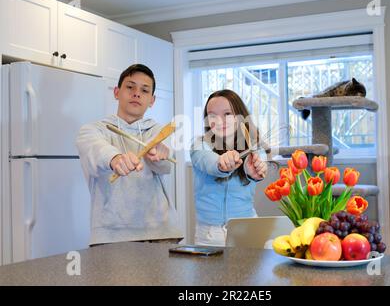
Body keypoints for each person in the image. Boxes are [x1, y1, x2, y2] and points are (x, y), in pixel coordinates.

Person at [76, 64, 182, 246]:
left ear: (152, 100)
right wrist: (115, 159)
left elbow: (166, 165)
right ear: (117, 92)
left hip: (161, 233)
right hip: (112, 236)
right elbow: (96, 149)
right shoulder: (93, 130)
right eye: (130, 87)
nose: (136, 93)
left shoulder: (158, 131)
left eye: (144, 90)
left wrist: (161, 153)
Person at [190, 89, 268, 246]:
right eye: (212, 115)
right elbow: (209, 162)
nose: (219, 121)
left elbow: (258, 166)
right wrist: (222, 163)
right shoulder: (199, 145)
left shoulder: (255, 147)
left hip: (247, 228)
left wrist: (255, 171)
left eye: (227, 114)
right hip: (211, 234)